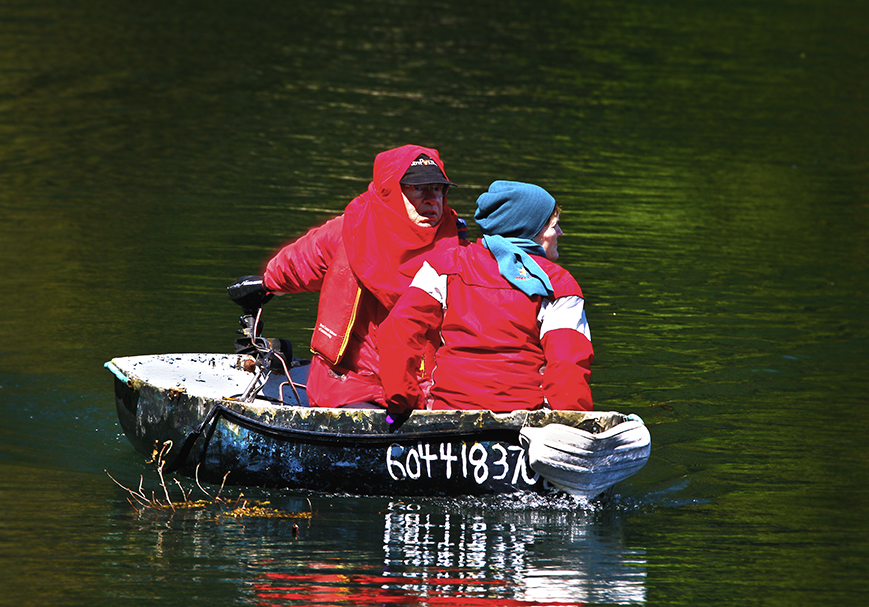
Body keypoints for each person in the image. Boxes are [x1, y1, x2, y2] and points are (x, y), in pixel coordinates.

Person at [238, 145, 464, 408]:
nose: (431, 198)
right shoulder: (351, 229)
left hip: (426, 387)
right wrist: (267, 285)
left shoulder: (457, 244)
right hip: (353, 383)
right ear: (390, 190)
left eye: (438, 188)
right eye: (418, 188)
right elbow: (298, 262)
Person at [378, 180, 594, 415]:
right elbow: (567, 363)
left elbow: (397, 330)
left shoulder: (443, 264)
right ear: (530, 229)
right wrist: (572, 420)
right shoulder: (559, 283)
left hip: (449, 410)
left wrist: (403, 399)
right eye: (553, 225)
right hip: (522, 413)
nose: (560, 233)